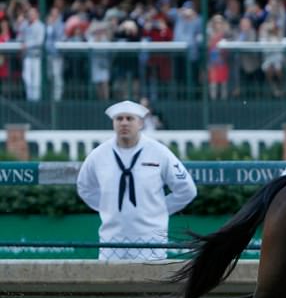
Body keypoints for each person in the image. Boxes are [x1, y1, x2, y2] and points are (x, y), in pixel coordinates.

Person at [76, 100, 197, 261]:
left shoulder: (159, 152)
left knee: (150, 284)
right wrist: (108, 207)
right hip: (112, 239)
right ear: (113, 123)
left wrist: (157, 210)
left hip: (150, 239)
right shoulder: (98, 155)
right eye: (119, 119)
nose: (124, 123)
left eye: (129, 118)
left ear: (140, 123)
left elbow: (186, 190)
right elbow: (85, 187)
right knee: (109, 284)